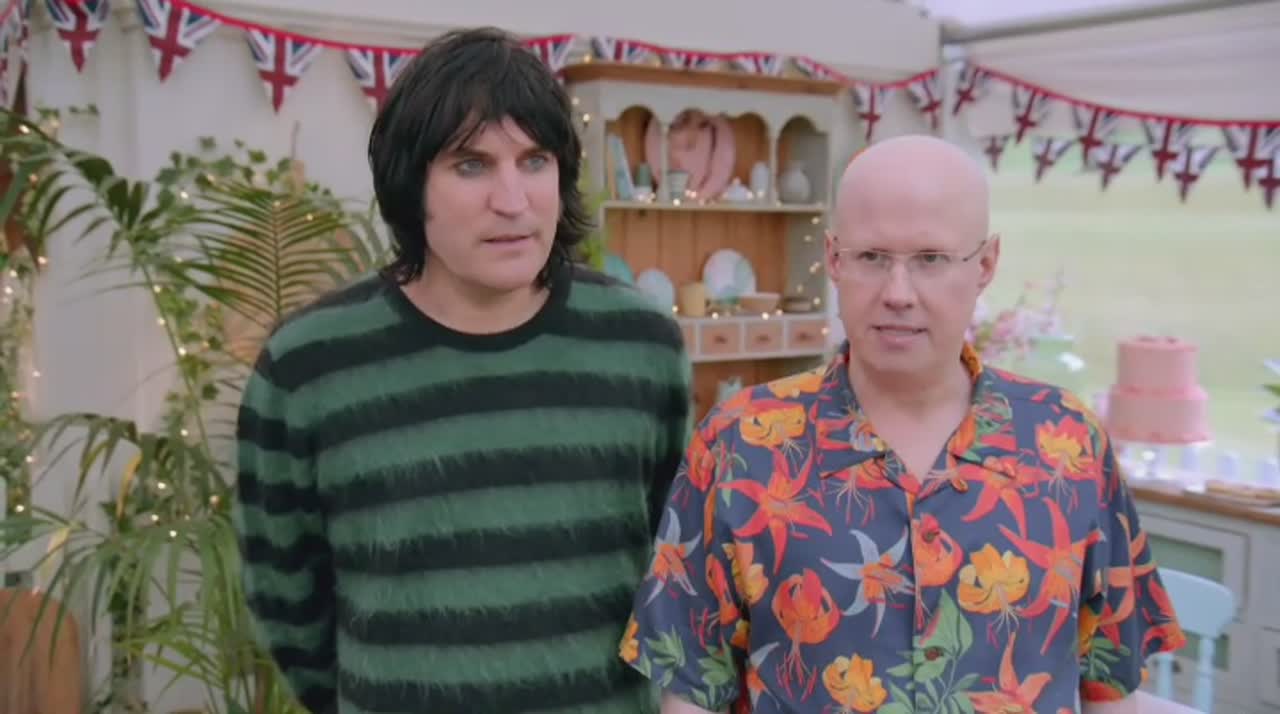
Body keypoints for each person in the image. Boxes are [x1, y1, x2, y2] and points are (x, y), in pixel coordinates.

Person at [619, 134, 1186, 714]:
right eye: (871, 257)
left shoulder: (1067, 443)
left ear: (986, 264)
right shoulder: (742, 444)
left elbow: (1109, 684)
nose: (897, 293)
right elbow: (690, 690)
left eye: (931, 259)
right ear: (834, 259)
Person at [233, 27, 691, 714]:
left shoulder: (641, 343)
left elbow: (676, 569)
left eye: (534, 161)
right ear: (410, 183)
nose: (513, 199)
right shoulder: (307, 366)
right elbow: (288, 605)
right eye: (471, 165)